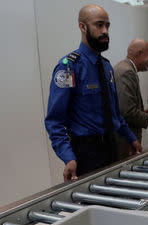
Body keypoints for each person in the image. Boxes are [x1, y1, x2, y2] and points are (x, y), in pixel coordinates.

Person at [45, 5, 142, 182]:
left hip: (112, 147)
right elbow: (55, 121)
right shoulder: (68, 67)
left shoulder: (106, 67)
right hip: (86, 153)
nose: (105, 31)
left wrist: (131, 138)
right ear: (83, 27)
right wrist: (68, 157)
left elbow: (115, 114)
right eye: (99, 25)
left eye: (107, 26)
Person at [114, 38, 148, 159]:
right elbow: (126, 111)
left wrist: (143, 113)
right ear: (140, 53)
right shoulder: (126, 72)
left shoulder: (125, 69)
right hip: (125, 142)